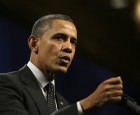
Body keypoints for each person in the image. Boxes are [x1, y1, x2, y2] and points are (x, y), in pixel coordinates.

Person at [0, 14, 123, 115]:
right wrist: (85, 105)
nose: (69, 47)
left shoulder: (63, 104)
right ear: (34, 43)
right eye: (59, 38)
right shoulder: (6, 84)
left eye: (73, 42)